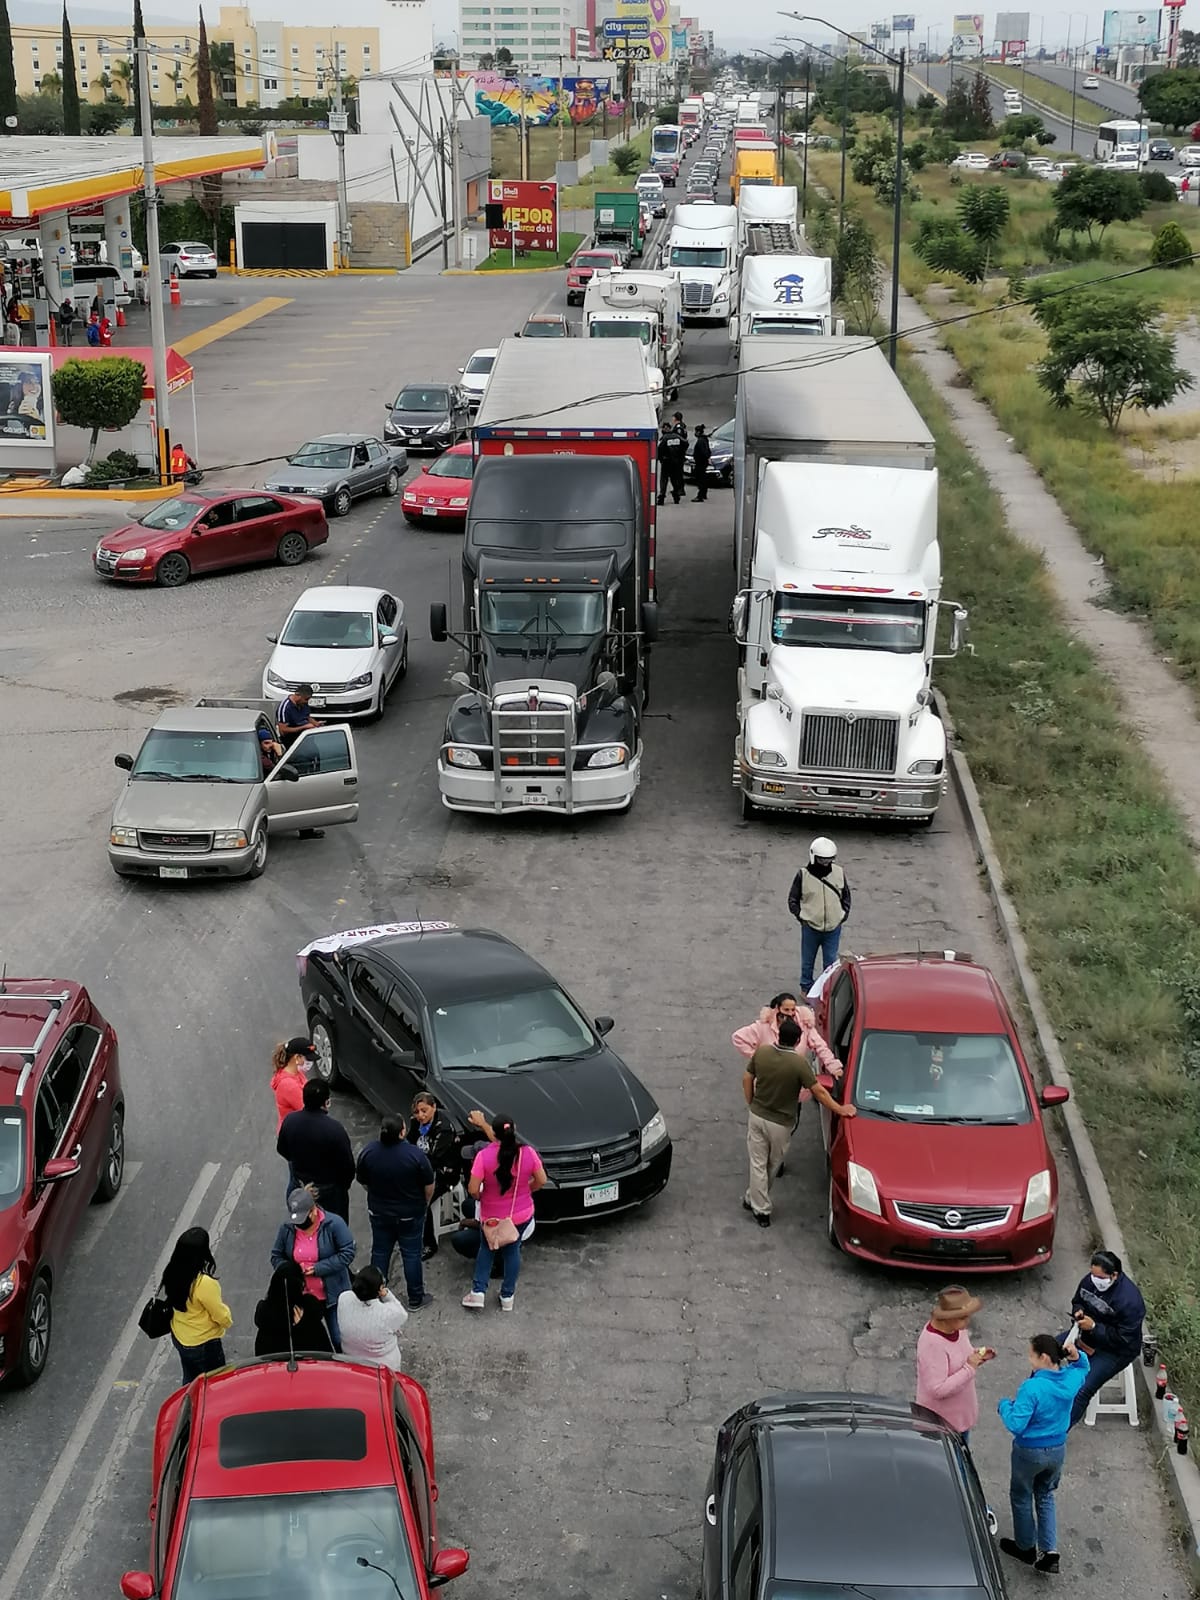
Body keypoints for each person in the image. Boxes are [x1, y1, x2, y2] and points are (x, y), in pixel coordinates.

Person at [742, 1016, 856, 1227]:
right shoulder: (798, 1064)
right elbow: (819, 1092)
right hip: (781, 1122)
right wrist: (840, 1109)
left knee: (757, 1162)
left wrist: (751, 1103)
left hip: (757, 1115)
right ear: (796, 1042)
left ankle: (754, 1198)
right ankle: (762, 1209)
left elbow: (747, 1078)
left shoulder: (762, 1052)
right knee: (773, 1163)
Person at [997, 1334, 1090, 1574]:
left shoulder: (1032, 1387)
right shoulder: (1070, 1380)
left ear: (1044, 1357)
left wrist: (1004, 1406)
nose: (1029, 1359)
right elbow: (1083, 1366)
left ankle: (1025, 1547)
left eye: (1032, 1355)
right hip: (1057, 1449)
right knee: (1046, 1494)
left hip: (1029, 1451)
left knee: (1021, 1495)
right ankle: (1050, 1550)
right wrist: (1076, 1355)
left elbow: (1016, 1424)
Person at [461, 1111, 546, 1312]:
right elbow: (541, 1180)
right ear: (514, 1130)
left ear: (495, 1134)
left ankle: (478, 1292)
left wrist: (481, 1197)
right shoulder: (528, 1153)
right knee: (512, 1250)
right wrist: (527, 1190)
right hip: (521, 1214)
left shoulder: (483, 1157)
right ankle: (507, 1296)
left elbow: (473, 1189)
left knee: (486, 1249)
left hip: (491, 1216)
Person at [356, 1116, 436, 1309]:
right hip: (410, 1214)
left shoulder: (369, 1152)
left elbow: (363, 1180)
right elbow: (429, 1184)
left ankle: (376, 1295)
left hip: (379, 1212)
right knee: (411, 1254)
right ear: (402, 1132)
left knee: (381, 1252)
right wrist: (423, 1203)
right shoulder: (415, 1155)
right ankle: (416, 1298)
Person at [1066, 1248, 1145, 1427]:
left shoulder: (1130, 1301)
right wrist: (1078, 1311)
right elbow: (1078, 1300)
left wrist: (1094, 1327)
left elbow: (1123, 1338)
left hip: (1116, 1350)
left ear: (1114, 1275)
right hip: (1086, 1334)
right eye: (1093, 1275)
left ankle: (1057, 1435)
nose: (1095, 1280)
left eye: (1100, 1278)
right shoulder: (1090, 1281)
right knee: (1047, 1350)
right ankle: (1037, 1402)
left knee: (1083, 1389)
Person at [271, 1188, 356, 1351]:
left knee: (339, 1340)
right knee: (310, 1345)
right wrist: (292, 1271)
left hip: (332, 1296)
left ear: (314, 1210)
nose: (300, 1226)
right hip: (303, 1298)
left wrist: (318, 1268)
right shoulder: (287, 1229)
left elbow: (347, 1253)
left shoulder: (334, 1224)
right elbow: (276, 1256)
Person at [916, 1286, 994, 1443]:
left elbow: (962, 1354)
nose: (968, 1321)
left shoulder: (957, 1329)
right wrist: (970, 1367)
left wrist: (977, 1354)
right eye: (963, 1317)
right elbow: (937, 1389)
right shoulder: (932, 1344)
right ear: (948, 1317)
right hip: (941, 1428)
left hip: (958, 1421)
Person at [276, 1078, 355, 1222]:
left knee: (304, 1225)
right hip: (329, 1190)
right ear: (325, 1103)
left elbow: (282, 1149)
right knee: (334, 1228)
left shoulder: (290, 1121)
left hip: (300, 1183)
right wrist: (341, 1187)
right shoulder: (335, 1130)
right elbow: (348, 1167)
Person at [161, 1226, 232, 1383]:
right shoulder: (204, 1283)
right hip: (203, 1343)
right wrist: (227, 1318)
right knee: (215, 1383)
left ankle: (187, 1404)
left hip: (180, 1335)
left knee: (190, 1379)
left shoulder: (172, 1271)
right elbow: (220, 1315)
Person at [788, 837, 852, 995]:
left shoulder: (838, 872)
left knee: (830, 963)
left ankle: (827, 990)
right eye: (822, 860)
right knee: (807, 962)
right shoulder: (803, 875)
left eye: (828, 860)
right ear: (813, 857)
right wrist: (802, 917)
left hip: (833, 928)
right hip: (811, 927)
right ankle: (806, 988)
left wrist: (842, 915)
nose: (825, 863)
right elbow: (793, 899)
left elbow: (846, 896)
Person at [407, 1091, 461, 1259]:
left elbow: (434, 1160)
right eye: (417, 1112)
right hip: (419, 1168)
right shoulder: (416, 1123)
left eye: (424, 1111)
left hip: (443, 1173)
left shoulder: (443, 1130)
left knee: (423, 1199)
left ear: (434, 1107)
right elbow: (409, 1142)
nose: (421, 1116)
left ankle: (429, 1243)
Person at [253, 1260, 333, 1358]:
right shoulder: (309, 1308)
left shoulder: (266, 1314)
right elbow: (325, 1352)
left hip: (273, 1370)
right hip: (312, 1369)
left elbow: (261, 1355)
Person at [337, 1265, 409, 1371]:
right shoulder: (387, 1313)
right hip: (383, 1366)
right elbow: (402, 1314)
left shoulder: (344, 1298)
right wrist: (387, 1295)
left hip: (352, 1361)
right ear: (380, 1289)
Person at [270, 1037, 315, 1133]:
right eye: (307, 1059)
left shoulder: (296, 1073)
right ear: (297, 1057)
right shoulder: (288, 1085)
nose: (310, 1063)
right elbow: (309, 1111)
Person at [657, 422, 687, 505]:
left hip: (666, 462)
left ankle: (662, 497)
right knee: (674, 479)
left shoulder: (664, 439)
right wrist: (680, 455)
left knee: (664, 480)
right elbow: (685, 443)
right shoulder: (677, 437)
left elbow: (659, 450)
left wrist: (660, 459)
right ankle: (676, 496)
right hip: (675, 462)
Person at [691, 423, 712, 502]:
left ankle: (700, 496)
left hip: (700, 463)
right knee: (703, 478)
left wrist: (698, 458)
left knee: (700, 479)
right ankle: (704, 494)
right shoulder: (705, 439)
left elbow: (703, 452)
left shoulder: (700, 441)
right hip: (704, 462)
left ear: (698, 432)